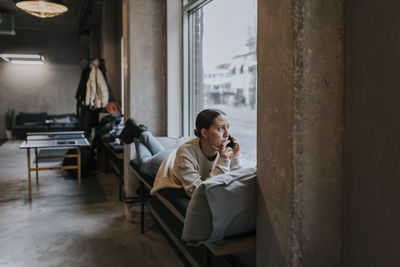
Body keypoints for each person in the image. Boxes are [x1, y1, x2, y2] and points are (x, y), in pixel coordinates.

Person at [119, 109, 241, 197]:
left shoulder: (222, 149)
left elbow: (235, 180)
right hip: (163, 165)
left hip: (176, 158)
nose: (227, 134)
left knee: (159, 151)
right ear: (205, 133)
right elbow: (196, 191)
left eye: (228, 128)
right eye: (221, 128)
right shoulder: (186, 152)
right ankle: (137, 136)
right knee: (144, 161)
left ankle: (139, 131)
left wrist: (234, 158)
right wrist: (225, 161)